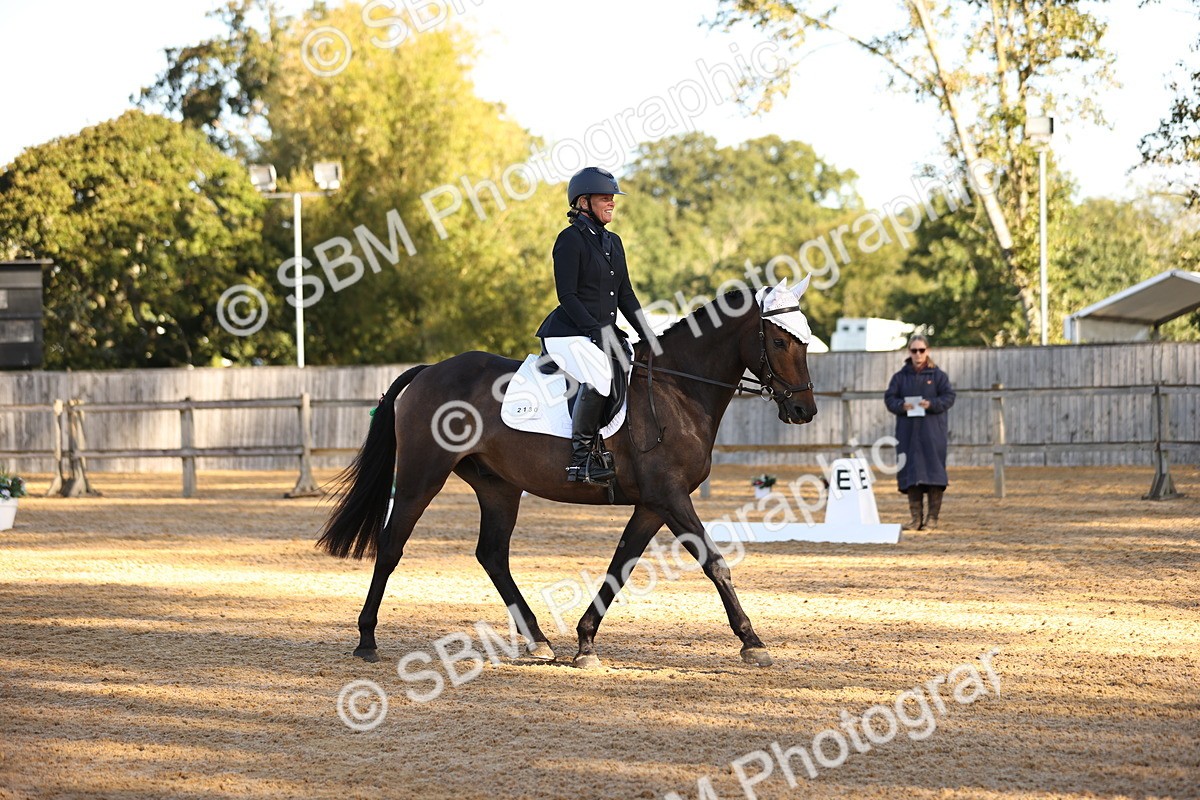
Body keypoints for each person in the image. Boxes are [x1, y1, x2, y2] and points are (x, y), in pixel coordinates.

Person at [535, 166, 655, 484]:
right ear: (584, 202)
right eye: (605, 198)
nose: (612, 203)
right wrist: (594, 330)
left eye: (613, 198)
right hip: (567, 332)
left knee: (629, 370)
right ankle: (580, 460)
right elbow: (568, 296)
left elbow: (626, 296)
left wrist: (649, 336)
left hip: (600, 333)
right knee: (600, 378)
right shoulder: (569, 240)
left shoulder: (613, 242)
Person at [884, 335, 956, 530]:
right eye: (914, 350)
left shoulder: (937, 376)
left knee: (934, 474)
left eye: (921, 350)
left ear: (928, 351)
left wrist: (932, 404)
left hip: (933, 433)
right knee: (912, 475)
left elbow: (949, 397)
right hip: (908, 433)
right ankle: (916, 519)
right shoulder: (900, 377)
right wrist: (902, 405)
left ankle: (932, 519)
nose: (918, 354)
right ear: (909, 352)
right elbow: (890, 398)